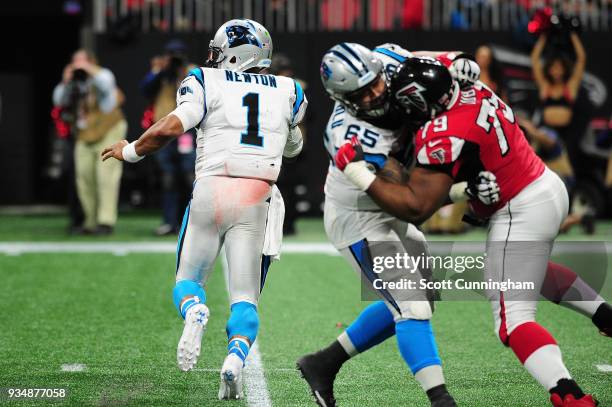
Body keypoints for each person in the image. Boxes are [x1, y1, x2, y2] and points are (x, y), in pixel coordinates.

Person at [334, 57, 598, 406]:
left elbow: (418, 206)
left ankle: (568, 395)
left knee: (513, 322)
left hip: (519, 209)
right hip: (544, 184)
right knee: (522, 272)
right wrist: (467, 190)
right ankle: (604, 315)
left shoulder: (442, 132)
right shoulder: (475, 88)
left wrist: (359, 174)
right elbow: (447, 67)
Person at [101, 19, 307, 400]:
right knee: (245, 297)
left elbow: (168, 128)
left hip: (213, 189)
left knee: (187, 282)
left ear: (234, 53)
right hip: (258, 195)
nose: (212, 57)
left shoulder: (205, 80)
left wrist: (130, 151)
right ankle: (235, 358)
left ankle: (195, 309)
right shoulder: (289, 90)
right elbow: (294, 148)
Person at [297, 43, 493, 407]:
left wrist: (458, 61)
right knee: (411, 307)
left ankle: (323, 363)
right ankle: (441, 399)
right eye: (363, 93)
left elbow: (429, 60)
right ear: (342, 98)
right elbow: (410, 198)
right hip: (362, 216)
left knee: (424, 300)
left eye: (375, 83)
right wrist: (461, 191)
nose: (376, 93)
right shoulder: (347, 134)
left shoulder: (386, 60)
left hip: (396, 204)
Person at [53, 49, 126, 235]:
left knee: (105, 177)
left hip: (109, 128)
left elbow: (106, 86)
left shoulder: (102, 74)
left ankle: (105, 222)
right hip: (85, 133)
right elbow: (58, 101)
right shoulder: (74, 83)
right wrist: (66, 80)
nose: (78, 66)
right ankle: (90, 222)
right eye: (74, 62)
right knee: (84, 177)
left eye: (82, 62)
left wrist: (89, 70)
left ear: (92, 62)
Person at [531, 30, 593, 233]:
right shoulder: (545, 87)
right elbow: (534, 60)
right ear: (549, 69)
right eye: (553, 67)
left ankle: (572, 215)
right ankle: (563, 217)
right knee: (542, 178)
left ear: (564, 69)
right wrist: (544, 35)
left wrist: (573, 33)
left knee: (565, 179)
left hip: (565, 137)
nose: (557, 71)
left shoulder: (570, 87)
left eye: (560, 67)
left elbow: (581, 59)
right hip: (545, 138)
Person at [141, 40, 197, 236]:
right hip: (163, 131)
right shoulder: (160, 72)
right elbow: (145, 90)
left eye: (177, 55)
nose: (174, 59)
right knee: (168, 177)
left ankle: (192, 222)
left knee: (190, 176)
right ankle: (169, 221)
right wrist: (161, 71)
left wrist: (182, 74)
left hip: (186, 131)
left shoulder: (193, 72)